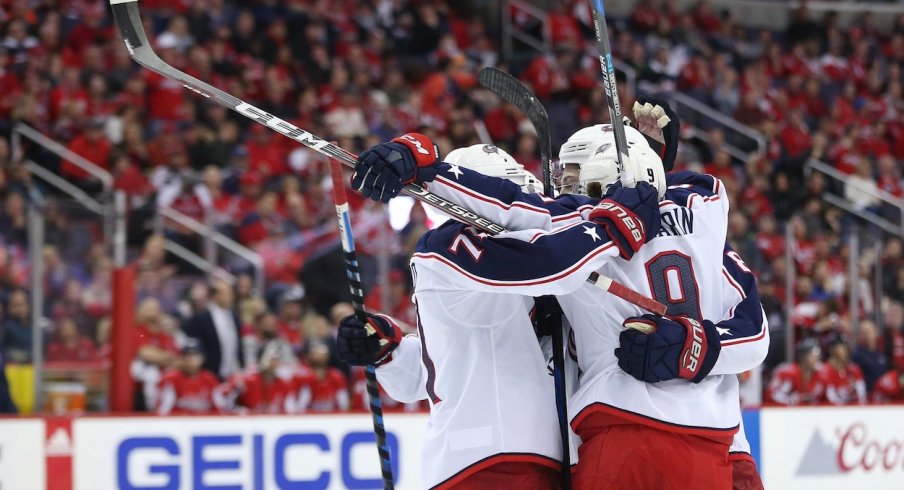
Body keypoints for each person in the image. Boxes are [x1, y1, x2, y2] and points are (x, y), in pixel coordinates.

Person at [350, 103, 767, 489]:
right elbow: (541, 252)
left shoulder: (573, 257)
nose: (552, 197)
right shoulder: (455, 248)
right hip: (496, 458)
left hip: (582, 451)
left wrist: (640, 184)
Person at [341, 139, 661, 489]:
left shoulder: (531, 271)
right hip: (490, 458)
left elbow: (458, 362)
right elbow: (551, 264)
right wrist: (611, 229)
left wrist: (393, 353)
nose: (530, 209)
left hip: (548, 459)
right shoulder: (448, 246)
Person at [183, 280, 243, 379]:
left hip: (233, 374)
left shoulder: (234, 316)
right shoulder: (200, 318)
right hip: (210, 374)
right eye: (227, 294)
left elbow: (238, 344)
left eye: (231, 293)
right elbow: (196, 347)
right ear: (215, 296)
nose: (231, 297)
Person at [156, 339, 226, 415]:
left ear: (202, 358)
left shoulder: (209, 378)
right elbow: (164, 410)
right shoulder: (171, 379)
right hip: (178, 423)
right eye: (187, 355)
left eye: (195, 355)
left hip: (204, 422)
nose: (191, 359)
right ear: (181, 358)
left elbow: (220, 407)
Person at [294, 340, 350, 413]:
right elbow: (299, 405)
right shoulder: (301, 376)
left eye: (322, 353)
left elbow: (344, 403)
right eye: (316, 353)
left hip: (333, 418)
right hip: (309, 419)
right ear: (309, 355)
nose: (319, 356)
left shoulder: (337, 376)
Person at [766, 338, 825, 405]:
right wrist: (790, 401)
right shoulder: (787, 373)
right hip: (785, 413)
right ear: (803, 356)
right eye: (813, 356)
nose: (817, 359)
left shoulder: (821, 375)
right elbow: (771, 395)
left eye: (818, 356)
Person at [820, 336, 867, 405]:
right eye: (842, 347)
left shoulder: (854, 369)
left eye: (846, 347)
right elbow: (830, 398)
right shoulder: (824, 371)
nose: (846, 351)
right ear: (832, 350)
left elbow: (862, 396)